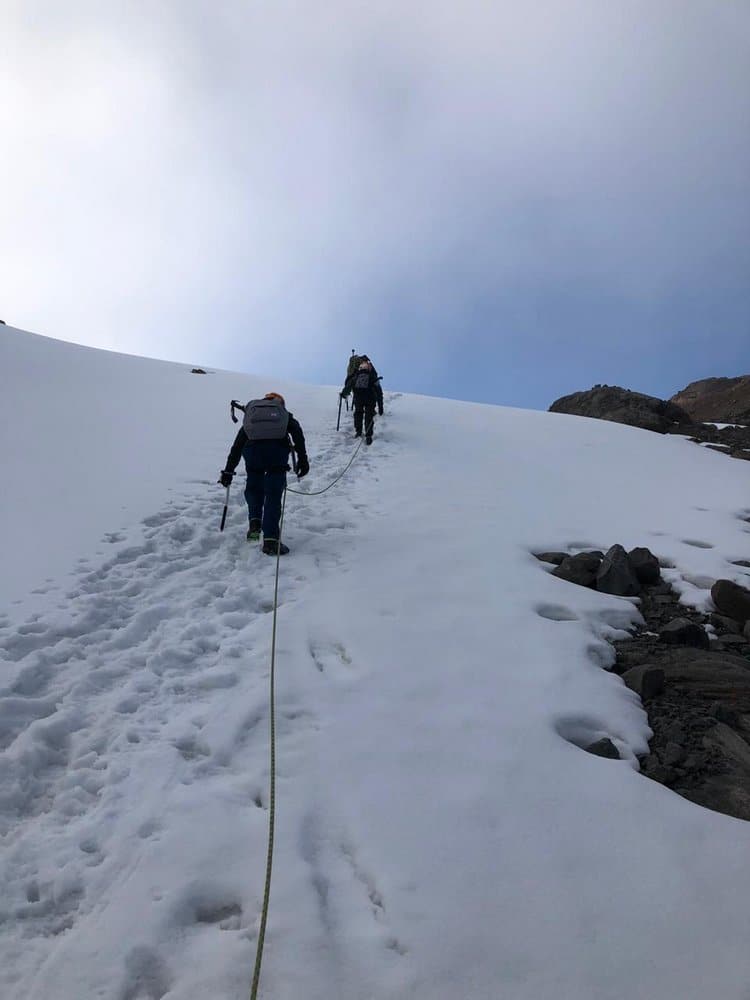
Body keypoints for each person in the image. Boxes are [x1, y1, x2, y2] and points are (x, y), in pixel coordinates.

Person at [219, 392, 309, 555]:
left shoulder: (252, 413)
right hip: (277, 454)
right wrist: (303, 459)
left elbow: (238, 444)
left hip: (252, 452)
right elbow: (297, 433)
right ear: (280, 402)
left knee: (254, 488)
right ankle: (271, 541)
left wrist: (228, 470)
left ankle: (254, 523)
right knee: (273, 495)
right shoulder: (283, 414)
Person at [341, 359, 379, 444]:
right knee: (369, 416)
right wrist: (378, 402)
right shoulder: (372, 376)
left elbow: (348, 387)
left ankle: (358, 431)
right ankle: (368, 435)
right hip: (370, 399)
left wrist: (344, 394)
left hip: (358, 399)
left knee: (358, 414)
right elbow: (377, 389)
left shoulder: (356, 376)